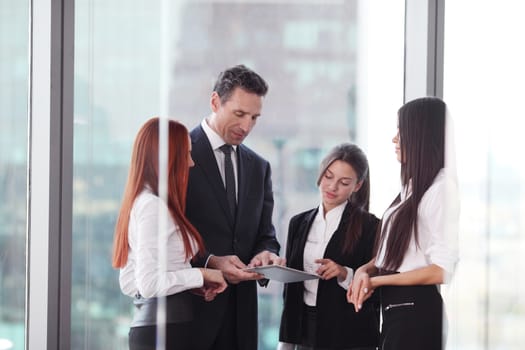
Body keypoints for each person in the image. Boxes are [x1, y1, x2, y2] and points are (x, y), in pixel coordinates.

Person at [185, 64, 285, 350]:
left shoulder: (259, 167)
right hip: (192, 311)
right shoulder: (180, 154)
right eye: (239, 114)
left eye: (255, 117)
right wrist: (209, 261)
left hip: (241, 316)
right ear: (215, 102)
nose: (247, 126)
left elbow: (265, 233)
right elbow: (167, 234)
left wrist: (267, 254)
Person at [347, 97, 459, 350]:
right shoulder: (412, 188)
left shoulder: (441, 190)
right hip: (397, 308)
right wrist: (365, 270)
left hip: (416, 310)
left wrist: (375, 282)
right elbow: (398, 254)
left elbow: (441, 269)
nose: (395, 139)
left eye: (402, 130)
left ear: (420, 135)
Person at [112, 117, 228, 350]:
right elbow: (148, 284)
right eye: (185, 154)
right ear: (165, 159)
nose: (191, 163)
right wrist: (200, 275)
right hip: (166, 332)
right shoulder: (152, 207)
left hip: (160, 328)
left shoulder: (143, 202)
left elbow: (129, 282)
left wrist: (185, 284)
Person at [278, 143, 380, 350]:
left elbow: (374, 289)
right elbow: (290, 291)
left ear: (357, 186)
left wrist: (344, 273)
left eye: (344, 182)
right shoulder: (298, 223)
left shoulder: (370, 226)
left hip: (346, 332)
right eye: (328, 176)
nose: (332, 187)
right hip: (303, 329)